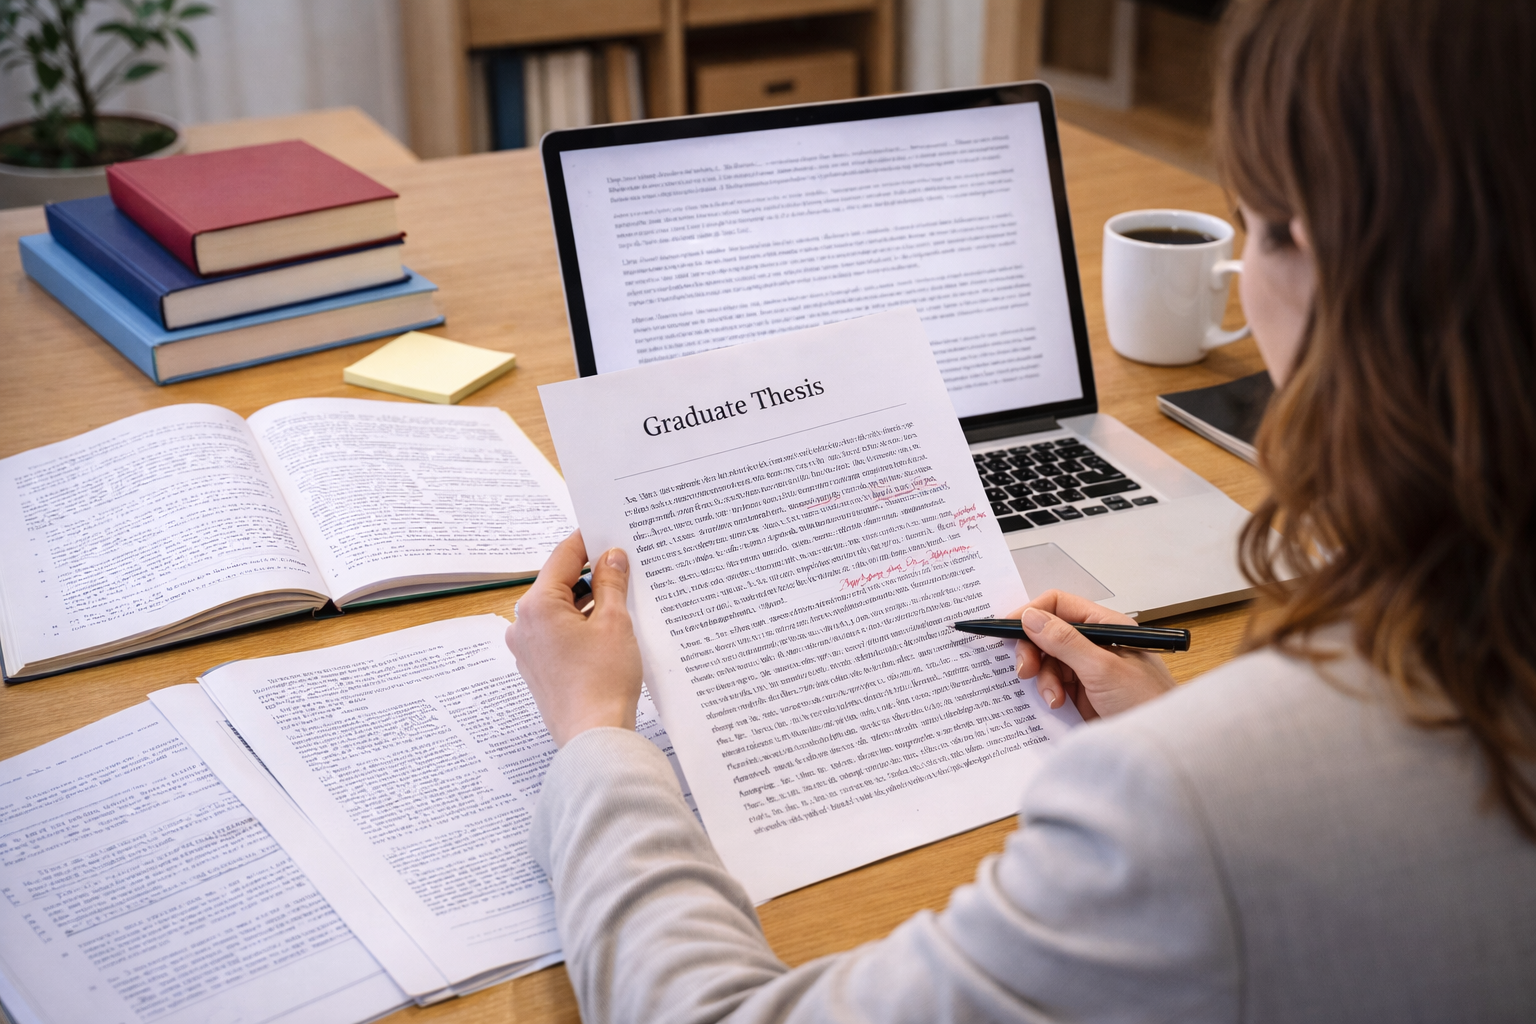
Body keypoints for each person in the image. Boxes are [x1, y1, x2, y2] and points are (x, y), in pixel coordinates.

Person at [506, 0, 1536, 1019]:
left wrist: (598, 735)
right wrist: (1180, 733)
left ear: (1312, 259)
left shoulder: (1193, 802)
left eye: (1254, 222)